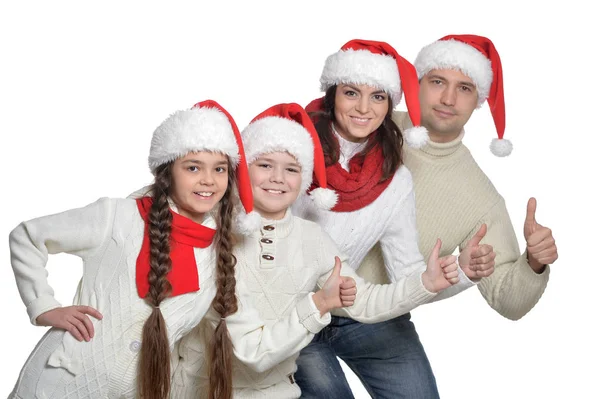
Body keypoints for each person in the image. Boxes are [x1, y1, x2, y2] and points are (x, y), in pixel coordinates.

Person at [7, 100, 347, 399]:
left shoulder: (223, 256)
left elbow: (252, 348)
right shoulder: (118, 216)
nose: (208, 180)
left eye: (220, 169)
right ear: (168, 170)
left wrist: (318, 304)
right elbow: (28, 236)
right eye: (193, 167)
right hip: (60, 383)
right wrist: (43, 306)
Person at [170, 102, 461, 398]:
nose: (278, 178)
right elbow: (251, 352)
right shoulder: (211, 228)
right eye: (265, 165)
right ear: (243, 169)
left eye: (291, 169)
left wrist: (425, 283)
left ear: (304, 179)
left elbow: (366, 300)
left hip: (278, 391)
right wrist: (318, 304)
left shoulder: (312, 238)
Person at [293, 39, 492, 398]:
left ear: (391, 105)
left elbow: (407, 274)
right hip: (288, 312)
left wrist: (458, 270)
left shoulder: (395, 178)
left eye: (379, 97)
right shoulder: (293, 149)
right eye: (352, 93)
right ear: (333, 94)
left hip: (356, 307)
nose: (364, 109)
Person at [358, 34, 558, 321]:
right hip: (304, 301)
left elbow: (509, 302)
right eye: (437, 81)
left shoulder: (479, 197)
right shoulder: (368, 124)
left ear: (479, 99)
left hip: (381, 316)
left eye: (465, 88)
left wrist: (534, 262)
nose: (448, 99)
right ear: (417, 83)